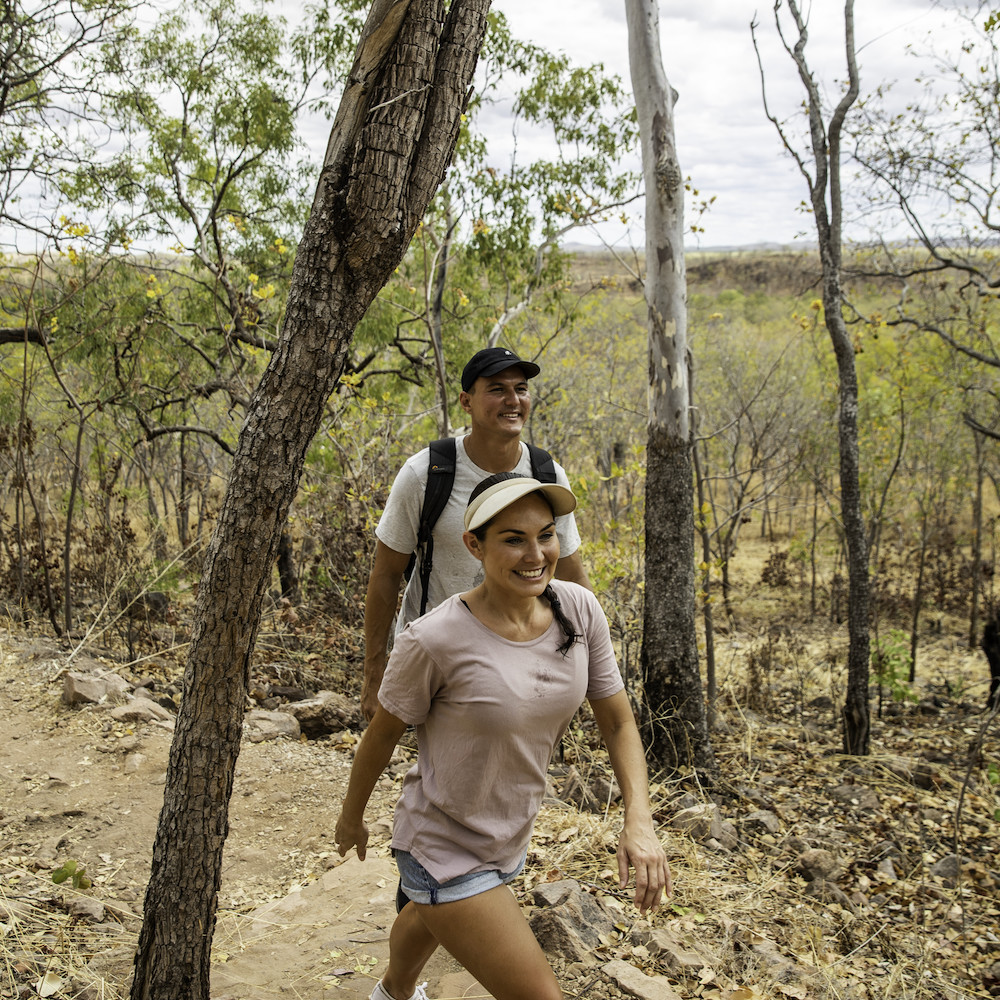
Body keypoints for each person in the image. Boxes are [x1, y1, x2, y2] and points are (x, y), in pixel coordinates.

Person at [336, 474, 671, 1000]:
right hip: (441, 841)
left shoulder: (579, 610)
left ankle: (393, 992)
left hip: (508, 828)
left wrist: (639, 819)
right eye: (513, 539)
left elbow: (618, 721)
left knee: (426, 916)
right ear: (474, 544)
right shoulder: (434, 638)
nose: (535, 553)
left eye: (546, 534)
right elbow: (382, 735)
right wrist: (350, 817)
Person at [362, 347, 591, 721]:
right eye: (497, 389)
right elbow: (386, 576)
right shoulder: (426, 474)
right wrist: (374, 675)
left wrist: (588, 658)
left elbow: (572, 575)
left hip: (521, 657)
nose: (513, 400)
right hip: (437, 655)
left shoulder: (547, 475)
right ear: (466, 402)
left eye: (521, 388)